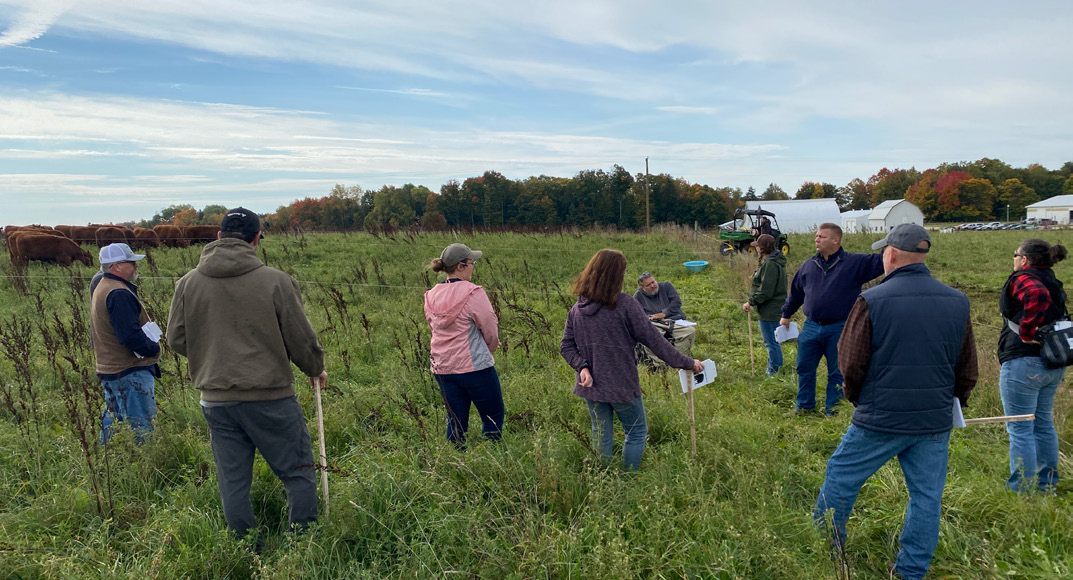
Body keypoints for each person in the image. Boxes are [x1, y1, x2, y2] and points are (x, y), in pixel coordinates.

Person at [814, 224, 977, 580]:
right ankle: (911, 570)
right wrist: (951, 405)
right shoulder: (957, 300)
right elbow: (967, 369)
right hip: (934, 421)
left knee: (841, 478)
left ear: (890, 254)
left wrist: (858, 400)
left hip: (880, 418)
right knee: (927, 496)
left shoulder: (871, 300)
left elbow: (850, 364)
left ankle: (824, 552)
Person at [167, 207, 326, 543]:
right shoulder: (277, 281)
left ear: (219, 236)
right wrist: (314, 368)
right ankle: (304, 545)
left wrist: (213, 357)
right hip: (270, 396)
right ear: (256, 239)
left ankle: (248, 550)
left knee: (233, 481)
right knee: (298, 472)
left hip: (216, 399)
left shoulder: (187, 283)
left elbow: (176, 339)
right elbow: (300, 338)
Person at [561, 249, 704, 470]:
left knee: (601, 434)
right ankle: (628, 478)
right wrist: (688, 363)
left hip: (591, 387)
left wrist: (583, 367)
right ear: (614, 276)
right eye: (623, 272)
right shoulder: (625, 306)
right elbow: (656, 342)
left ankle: (603, 478)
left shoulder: (577, 309)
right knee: (636, 432)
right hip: (622, 385)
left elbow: (566, 347)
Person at [781, 223, 884, 415]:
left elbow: (882, 261)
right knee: (804, 368)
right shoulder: (809, 265)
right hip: (811, 326)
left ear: (836, 240)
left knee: (838, 372)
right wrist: (786, 314)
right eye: (816, 236)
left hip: (840, 327)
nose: (817, 239)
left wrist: (894, 240)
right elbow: (796, 293)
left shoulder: (854, 263)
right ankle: (804, 407)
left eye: (822, 236)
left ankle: (834, 410)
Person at [998, 239, 1068, 493]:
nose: (1014, 259)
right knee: (1043, 424)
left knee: (1020, 428)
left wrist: (1026, 331)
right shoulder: (1052, 281)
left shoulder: (1024, 278)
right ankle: (1046, 486)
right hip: (1052, 361)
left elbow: (1035, 296)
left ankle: (1022, 490)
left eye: (1015, 254)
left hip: (1023, 362)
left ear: (1024, 259)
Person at [424, 243, 505, 446]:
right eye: (471, 263)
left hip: (443, 367)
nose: (473, 267)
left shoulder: (431, 294)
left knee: (455, 420)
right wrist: (490, 347)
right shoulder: (473, 292)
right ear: (460, 266)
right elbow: (489, 326)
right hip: (474, 366)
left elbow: (433, 326)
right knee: (493, 415)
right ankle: (492, 453)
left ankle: (457, 458)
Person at [90, 243, 161, 443]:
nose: (136, 266)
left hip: (112, 369)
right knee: (142, 427)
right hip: (130, 370)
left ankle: (110, 457)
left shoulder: (103, 286)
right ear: (116, 266)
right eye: (131, 263)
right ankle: (144, 460)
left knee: (114, 423)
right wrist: (153, 348)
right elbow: (130, 337)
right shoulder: (118, 293)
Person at [742, 234, 787, 376]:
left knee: (771, 342)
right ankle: (775, 369)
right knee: (773, 342)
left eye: (757, 246)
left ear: (762, 248)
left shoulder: (771, 265)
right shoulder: (772, 261)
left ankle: (773, 372)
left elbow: (766, 291)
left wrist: (751, 301)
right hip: (772, 308)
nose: (756, 248)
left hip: (770, 310)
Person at [633, 272, 696, 363]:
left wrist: (664, 313)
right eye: (648, 285)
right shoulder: (638, 296)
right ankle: (660, 363)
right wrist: (653, 318)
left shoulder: (666, 286)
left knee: (690, 331)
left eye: (653, 282)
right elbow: (638, 315)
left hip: (675, 320)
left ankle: (680, 360)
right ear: (642, 287)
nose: (652, 285)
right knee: (652, 337)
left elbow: (676, 302)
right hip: (655, 323)